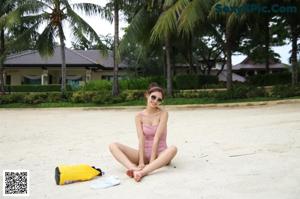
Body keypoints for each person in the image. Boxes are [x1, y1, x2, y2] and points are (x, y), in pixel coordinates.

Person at [109, 82, 177, 182]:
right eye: (153, 97)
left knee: (173, 149)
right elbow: (141, 139)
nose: (155, 101)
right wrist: (141, 162)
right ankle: (133, 168)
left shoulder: (163, 114)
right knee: (113, 145)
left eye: (159, 100)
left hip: (160, 154)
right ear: (147, 95)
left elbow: (157, 138)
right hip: (144, 154)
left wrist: (152, 161)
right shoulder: (139, 116)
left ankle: (142, 172)